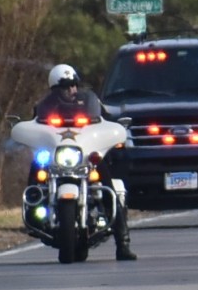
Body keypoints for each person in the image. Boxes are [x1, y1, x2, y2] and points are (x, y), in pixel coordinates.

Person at [32, 64, 138, 261]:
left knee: (109, 187)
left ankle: (123, 244)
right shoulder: (45, 107)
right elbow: (34, 126)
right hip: (57, 157)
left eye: (73, 85)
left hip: (86, 156)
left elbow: (107, 121)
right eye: (65, 87)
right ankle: (32, 206)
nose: (71, 90)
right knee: (36, 165)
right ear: (54, 89)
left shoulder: (89, 102)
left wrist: (115, 130)